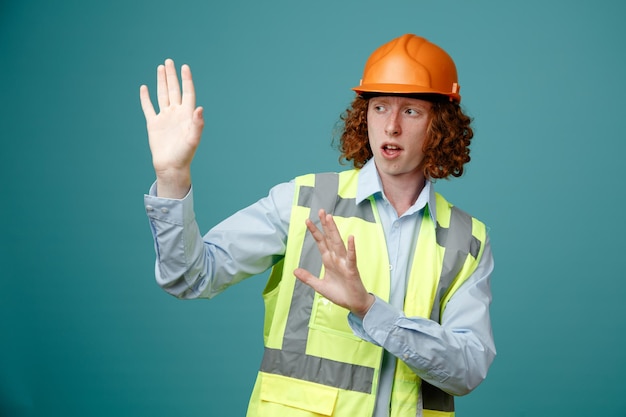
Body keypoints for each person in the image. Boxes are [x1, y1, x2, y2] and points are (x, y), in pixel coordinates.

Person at [140, 33, 496, 417]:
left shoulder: (467, 240)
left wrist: (370, 309)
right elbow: (189, 277)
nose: (391, 126)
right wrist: (173, 176)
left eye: (410, 110)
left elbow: (468, 371)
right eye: (379, 107)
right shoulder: (303, 202)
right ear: (364, 117)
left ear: (439, 125)